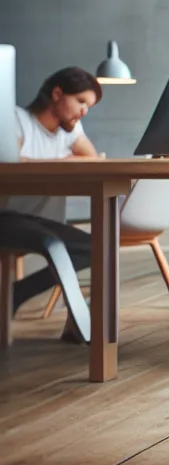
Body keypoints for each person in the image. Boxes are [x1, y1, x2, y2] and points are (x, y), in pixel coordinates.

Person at [2, 67, 103, 341]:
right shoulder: (15, 119)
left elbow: (92, 160)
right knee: (61, 246)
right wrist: (64, 161)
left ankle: (16, 295)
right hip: (8, 216)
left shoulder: (69, 130)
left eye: (89, 106)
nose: (84, 112)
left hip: (41, 222)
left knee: (96, 248)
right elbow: (12, 164)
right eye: (81, 102)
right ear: (57, 93)